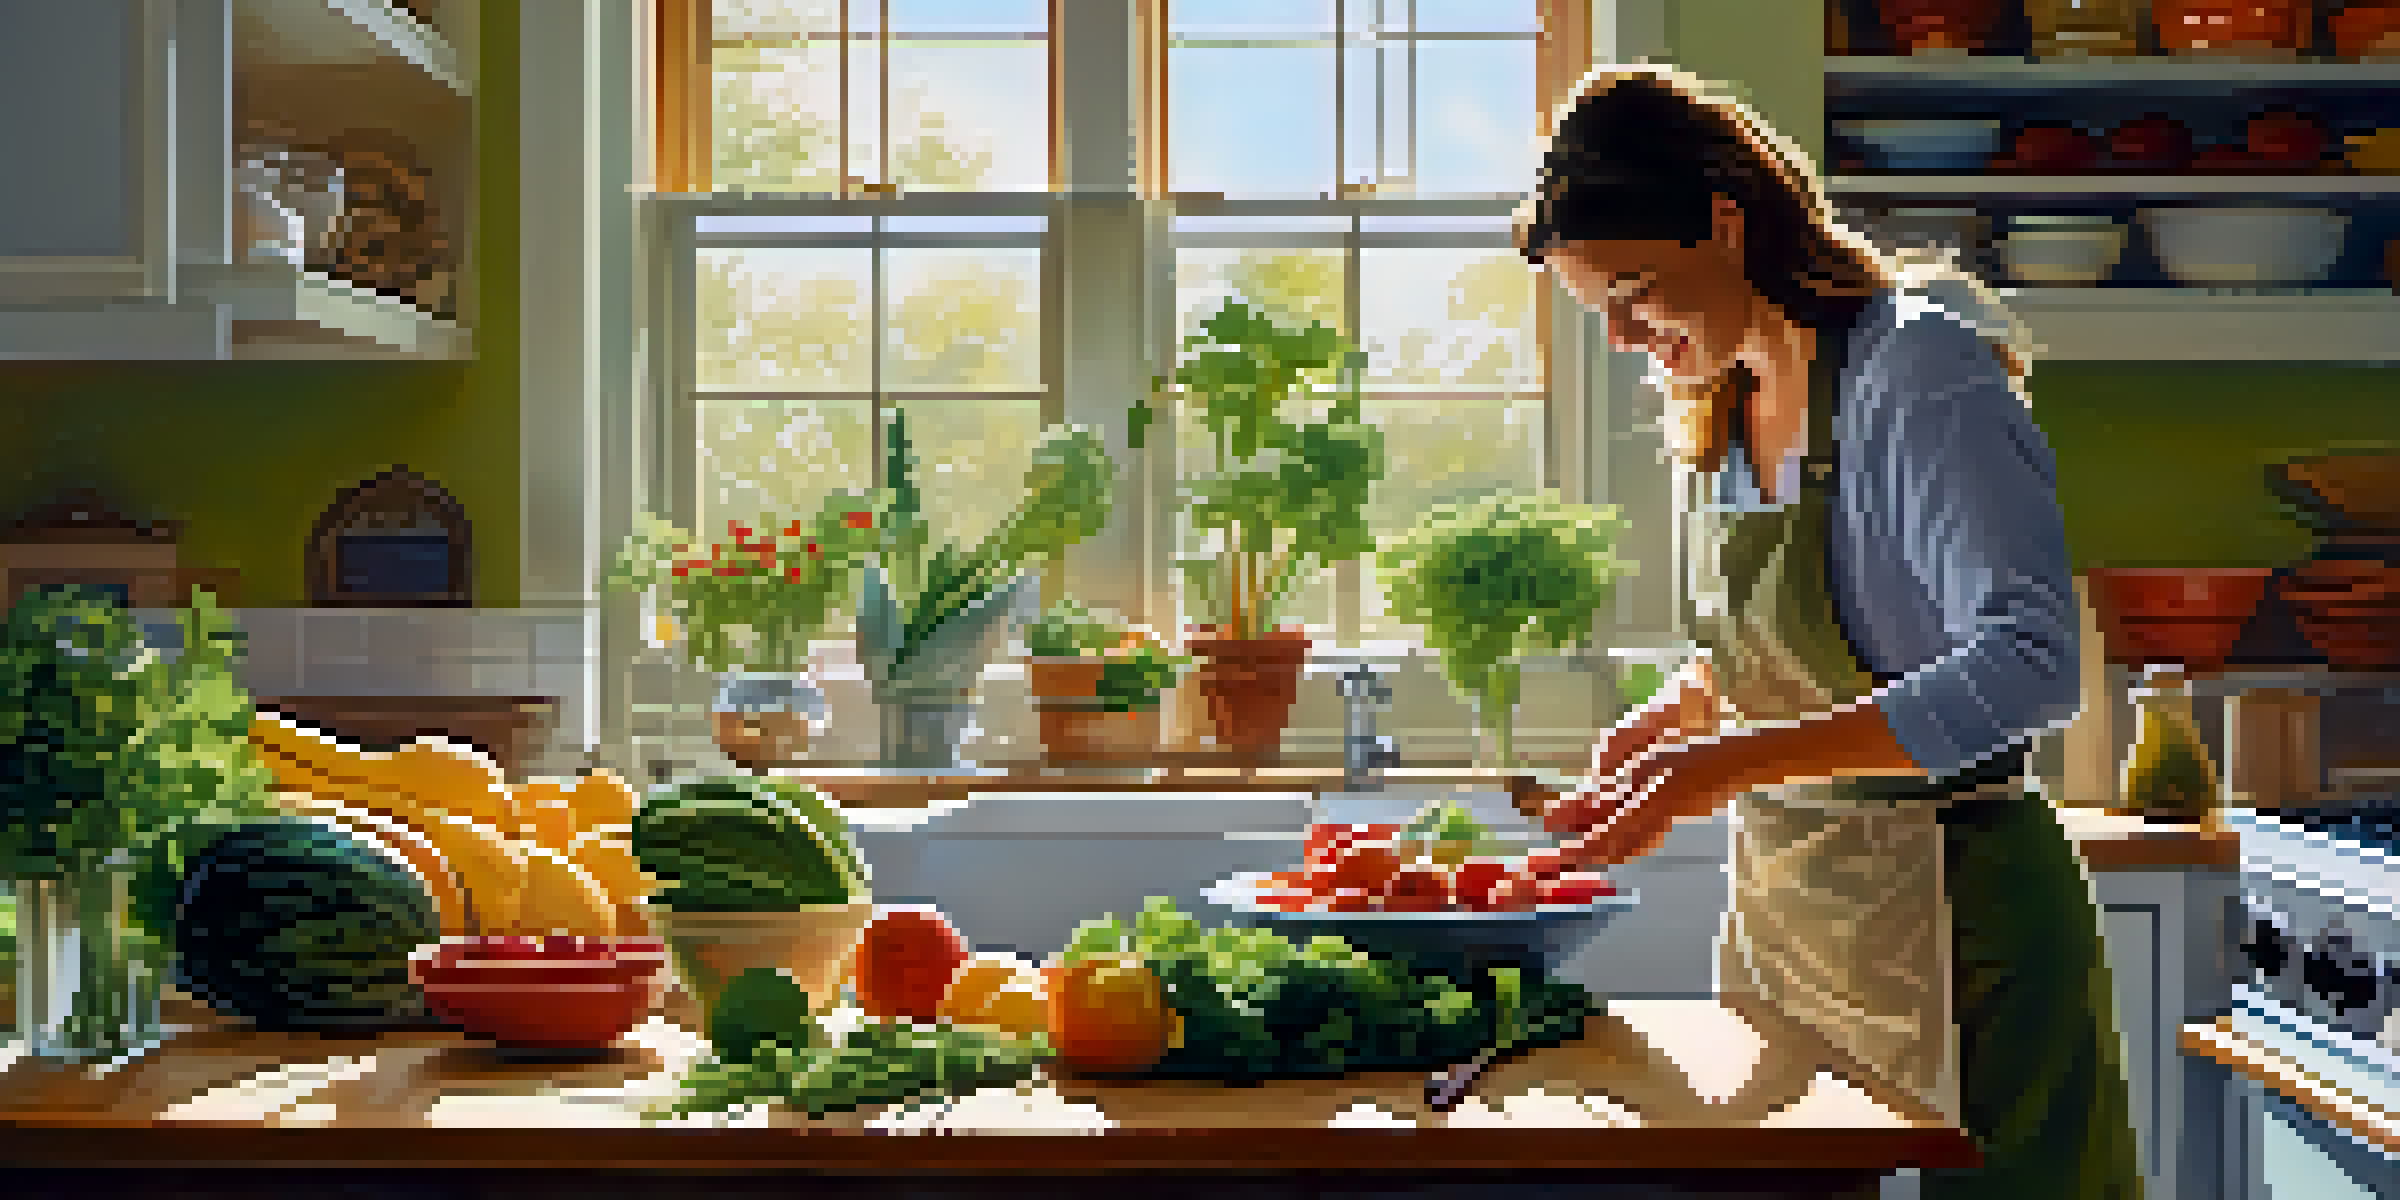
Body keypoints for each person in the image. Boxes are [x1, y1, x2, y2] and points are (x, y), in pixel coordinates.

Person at [1504, 65, 2144, 1199]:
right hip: (1794, 922)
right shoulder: (1719, 406)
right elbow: (1785, 649)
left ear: (1724, 221)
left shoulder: (1918, 369)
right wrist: (1670, 726)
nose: (1621, 338)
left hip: (1960, 928)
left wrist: (1723, 763)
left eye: (1636, 291)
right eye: (1597, 310)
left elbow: (2031, 663)